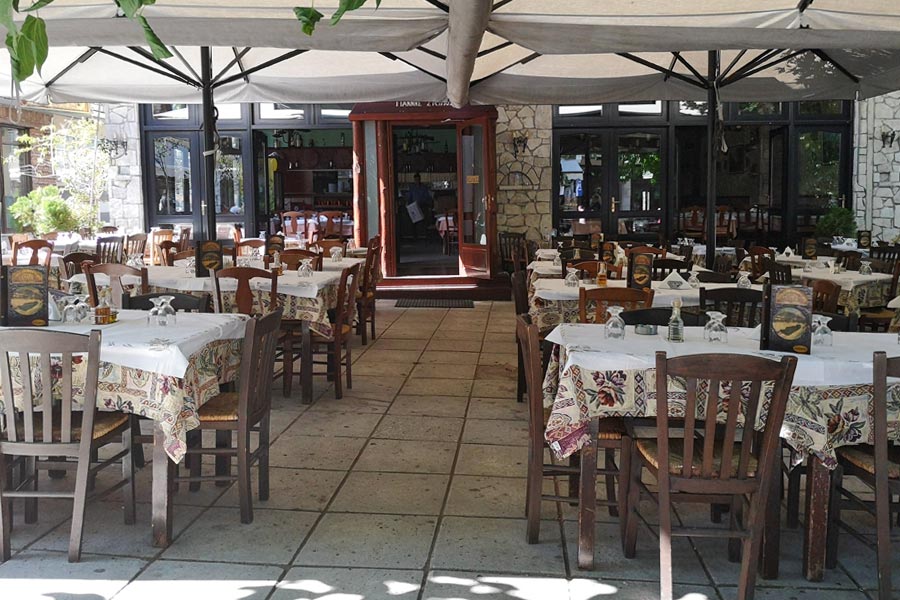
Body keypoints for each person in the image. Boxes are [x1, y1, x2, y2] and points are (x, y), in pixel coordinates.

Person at [405, 173, 433, 240]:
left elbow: (427, 196)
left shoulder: (423, 187)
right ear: (414, 180)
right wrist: (408, 204)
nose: (417, 181)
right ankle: (415, 237)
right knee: (414, 222)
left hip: (423, 205)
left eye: (418, 179)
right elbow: (409, 197)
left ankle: (425, 236)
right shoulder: (412, 188)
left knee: (424, 221)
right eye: (416, 179)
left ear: (420, 179)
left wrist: (427, 203)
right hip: (414, 206)